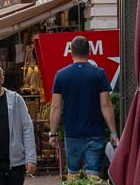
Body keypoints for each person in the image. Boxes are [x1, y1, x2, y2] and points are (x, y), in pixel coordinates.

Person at [48, 35, 118, 177]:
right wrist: (113, 132)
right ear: (89, 52)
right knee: (93, 173)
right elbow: (105, 104)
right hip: (94, 132)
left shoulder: (61, 75)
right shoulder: (99, 74)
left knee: (73, 173)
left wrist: (53, 133)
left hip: (72, 132)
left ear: (71, 52)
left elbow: (56, 106)